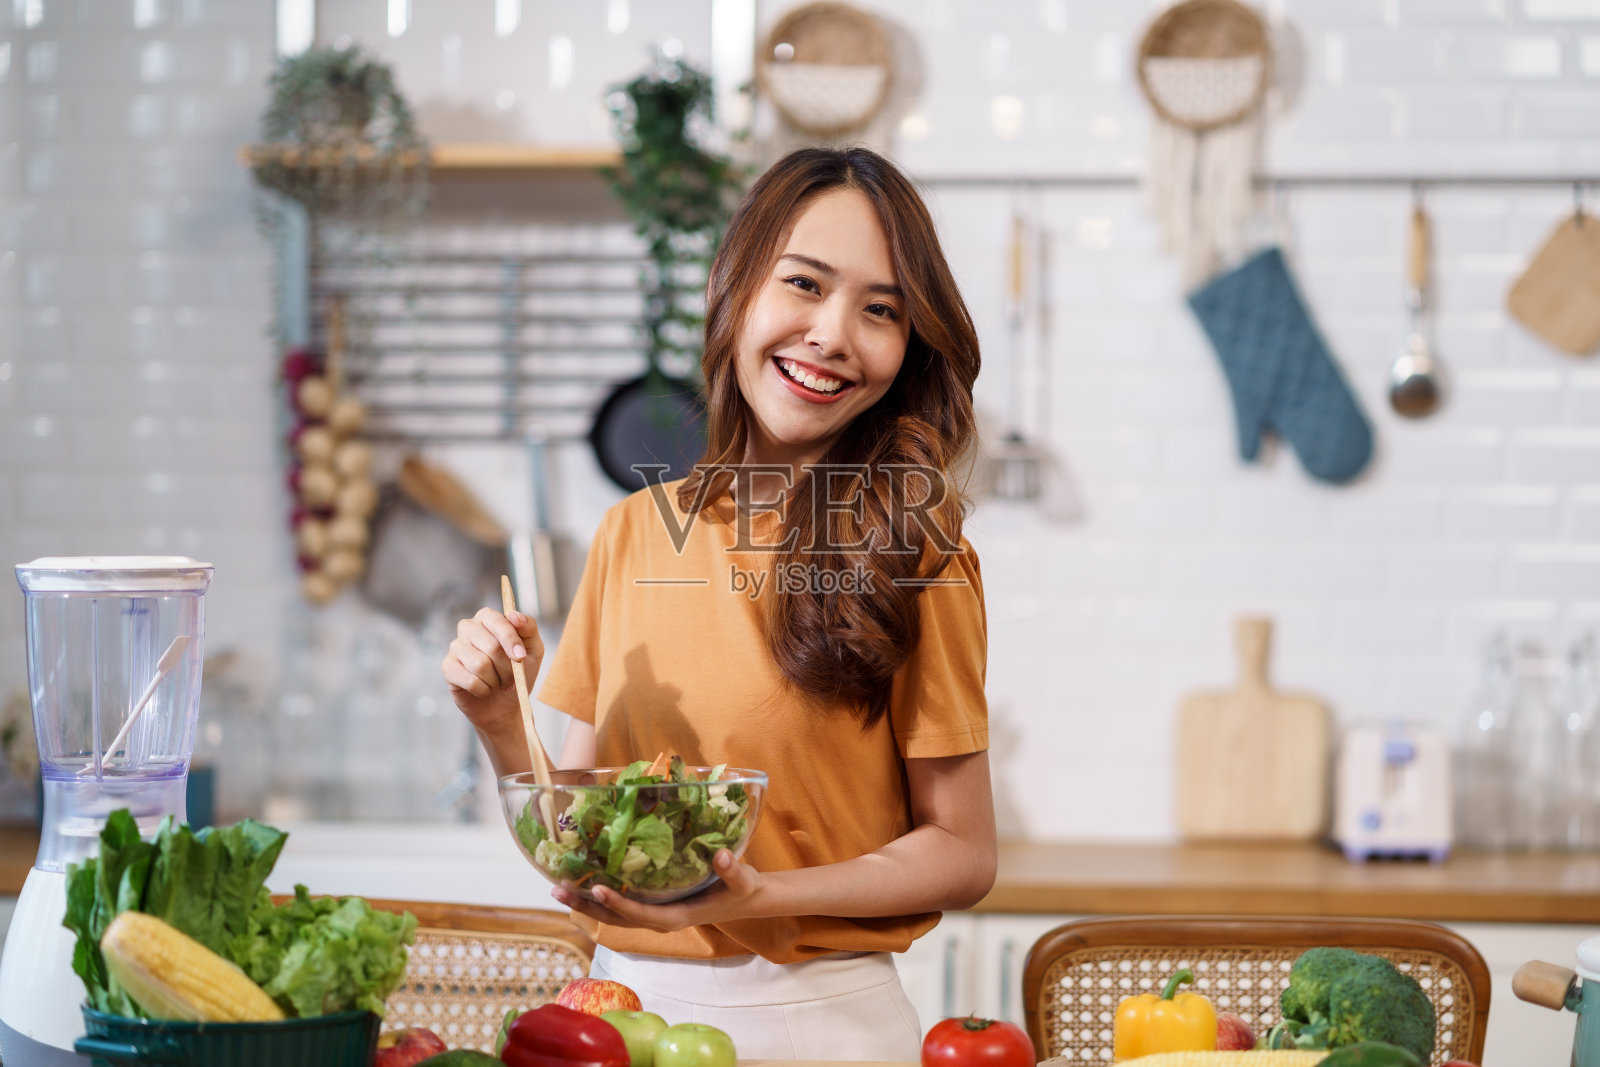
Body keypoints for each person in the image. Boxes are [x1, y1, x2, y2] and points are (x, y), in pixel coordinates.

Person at [442, 146, 994, 1060]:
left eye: (881, 309)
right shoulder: (633, 532)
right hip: (615, 1011)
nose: (832, 334)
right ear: (734, 287)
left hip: (816, 1024)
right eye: (805, 284)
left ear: (908, 348)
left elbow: (964, 852)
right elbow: (585, 836)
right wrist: (502, 722)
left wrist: (765, 895)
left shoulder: (917, 548)